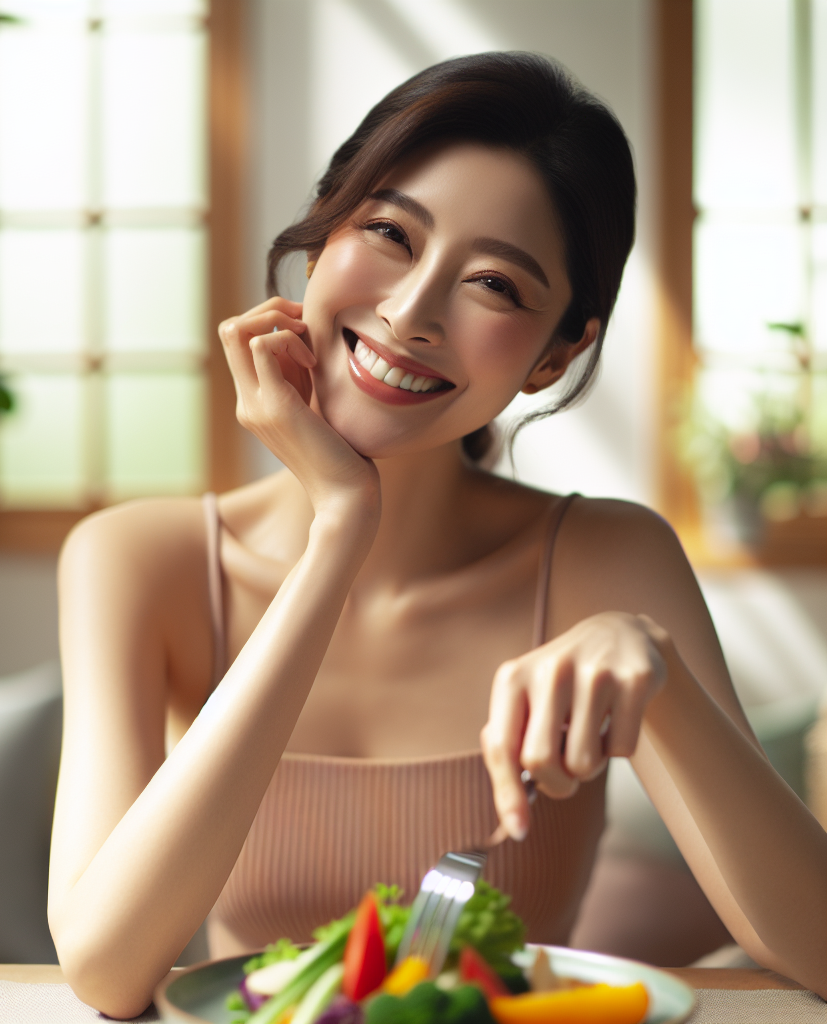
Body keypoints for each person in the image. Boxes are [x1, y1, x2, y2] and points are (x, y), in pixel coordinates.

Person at [47, 53, 827, 1017]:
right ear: (323, 230)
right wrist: (340, 529)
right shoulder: (137, 562)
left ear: (556, 354)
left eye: (494, 284)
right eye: (388, 233)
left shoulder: (607, 559)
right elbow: (105, 967)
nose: (410, 313)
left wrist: (659, 673)